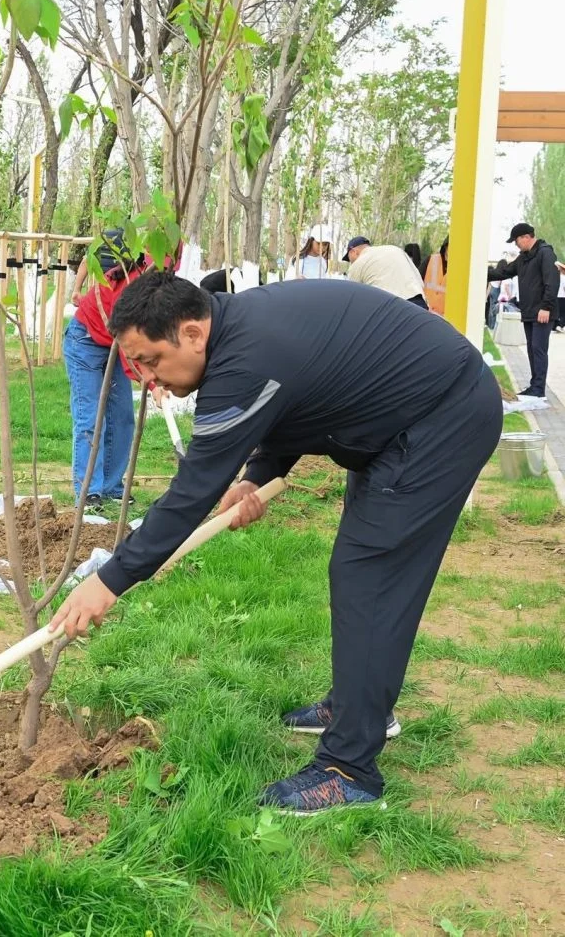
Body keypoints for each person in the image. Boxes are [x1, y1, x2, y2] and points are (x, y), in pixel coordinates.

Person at [51, 271, 502, 814]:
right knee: (362, 573)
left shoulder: (244, 359)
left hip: (442, 417)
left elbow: (190, 494)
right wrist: (258, 475)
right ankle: (358, 706)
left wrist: (109, 581)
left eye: (150, 361)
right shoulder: (238, 332)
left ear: (192, 333)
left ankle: (349, 769)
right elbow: (301, 393)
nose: (148, 379)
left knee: (369, 575)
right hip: (404, 414)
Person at [62, 230, 149, 509]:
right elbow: (129, 347)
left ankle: (111, 486)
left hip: (113, 344)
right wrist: (150, 380)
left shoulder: (148, 271)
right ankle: (89, 490)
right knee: (90, 417)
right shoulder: (124, 287)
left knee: (122, 416)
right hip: (84, 342)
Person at [487, 224, 560, 398]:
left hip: (543, 312)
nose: (516, 244)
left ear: (526, 237)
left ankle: (538, 389)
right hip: (529, 312)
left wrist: (546, 307)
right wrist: (482, 273)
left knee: (538, 349)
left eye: (517, 240)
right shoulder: (523, 258)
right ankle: (535, 386)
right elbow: (505, 272)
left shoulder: (545, 253)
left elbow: (552, 282)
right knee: (532, 349)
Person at [343, 237, 428, 309]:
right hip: (420, 304)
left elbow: (352, 298)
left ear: (353, 251)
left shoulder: (358, 263)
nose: (350, 262)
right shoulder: (395, 249)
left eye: (349, 258)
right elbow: (418, 278)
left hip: (393, 308)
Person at [423, 237, 448, 315]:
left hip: (445, 319)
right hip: (424, 313)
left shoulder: (462, 271)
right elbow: (415, 282)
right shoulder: (432, 260)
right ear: (445, 246)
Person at [555, 260, 565, 332]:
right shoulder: (564, 278)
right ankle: (561, 325)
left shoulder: (556, 277)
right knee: (563, 312)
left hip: (556, 296)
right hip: (563, 297)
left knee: (557, 312)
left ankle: (557, 325)